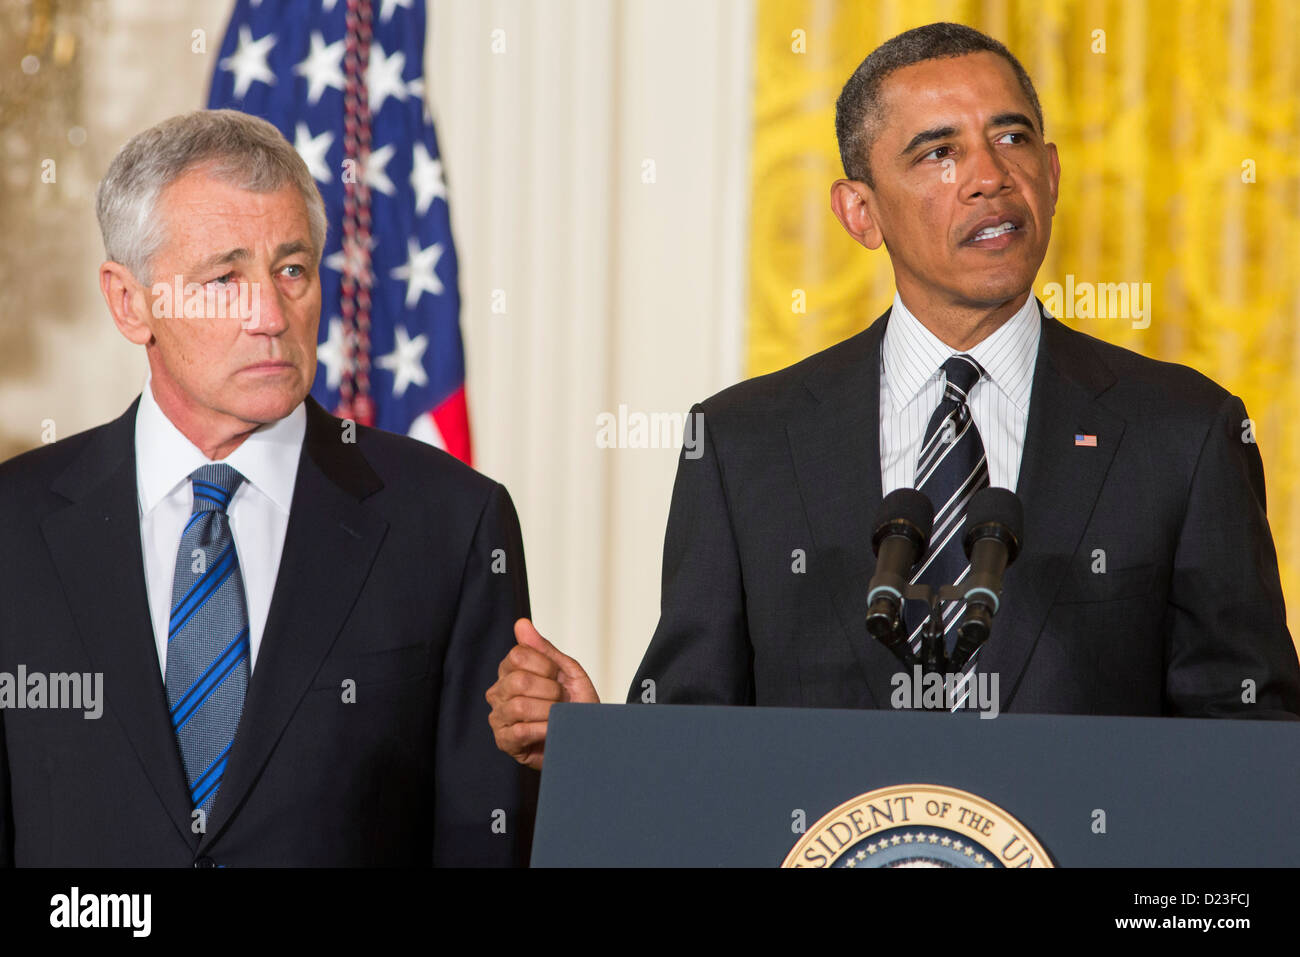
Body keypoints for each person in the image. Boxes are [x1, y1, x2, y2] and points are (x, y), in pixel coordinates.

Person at [487, 22, 1300, 770]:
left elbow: (1248, 745)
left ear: (1050, 175)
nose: (988, 177)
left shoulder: (1184, 432)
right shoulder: (743, 444)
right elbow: (702, 735)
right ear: (860, 212)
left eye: (1011, 137)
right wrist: (594, 747)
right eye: (937, 152)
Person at [0, 109, 537, 865]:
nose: (269, 315)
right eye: (224, 278)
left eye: (291, 271)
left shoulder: (452, 523)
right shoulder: (13, 529)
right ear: (130, 303)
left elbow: (485, 842)